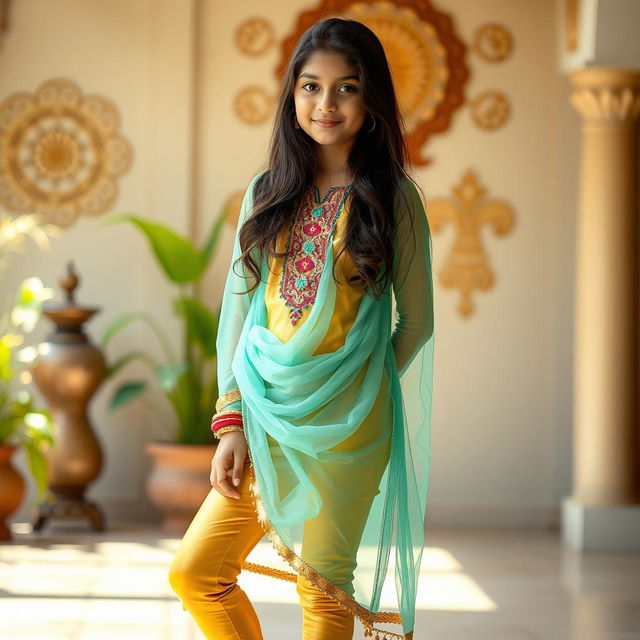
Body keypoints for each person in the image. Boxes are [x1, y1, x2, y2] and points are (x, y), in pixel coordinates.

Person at [168, 17, 435, 640]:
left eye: (346, 87)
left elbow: (415, 324)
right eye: (311, 87)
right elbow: (238, 314)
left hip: (348, 431)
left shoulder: (394, 198)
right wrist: (232, 418)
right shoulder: (267, 194)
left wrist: (358, 391)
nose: (326, 103)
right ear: (292, 97)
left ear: (371, 100)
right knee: (196, 573)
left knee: (325, 595)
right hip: (262, 417)